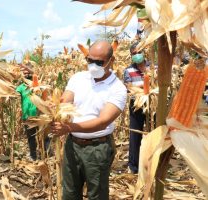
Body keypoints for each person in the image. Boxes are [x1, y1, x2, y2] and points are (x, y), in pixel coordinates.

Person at [50, 40, 127, 199]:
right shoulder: (78, 78)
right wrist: (52, 107)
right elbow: (66, 100)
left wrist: (69, 128)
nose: (93, 65)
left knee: (97, 195)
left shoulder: (117, 88)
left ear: (111, 61)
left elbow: (103, 121)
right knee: (69, 194)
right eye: (89, 60)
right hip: (73, 145)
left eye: (99, 62)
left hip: (97, 148)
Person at [123, 42, 149, 174]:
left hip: (153, 105)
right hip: (136, 105)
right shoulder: (128, 70)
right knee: (135, 135)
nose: (137, 55)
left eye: (139, 52)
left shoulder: (153, 67)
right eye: (134, 54)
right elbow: (128, 88)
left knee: (154, 133)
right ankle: (133, 166)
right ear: (131, 55)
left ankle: (152, 163)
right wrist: (146, 83)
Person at [16, 63, 50, 160]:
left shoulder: (40, 85)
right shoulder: (22, 86)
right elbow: (14, 93)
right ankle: (33, 156)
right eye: (24, 73)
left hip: (40, 116)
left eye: (28, 72)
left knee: (44, 137)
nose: (26, 75)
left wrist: (27, 68)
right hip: (28, 117)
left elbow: (37, 74)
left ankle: (46, 155)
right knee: (31, 138)